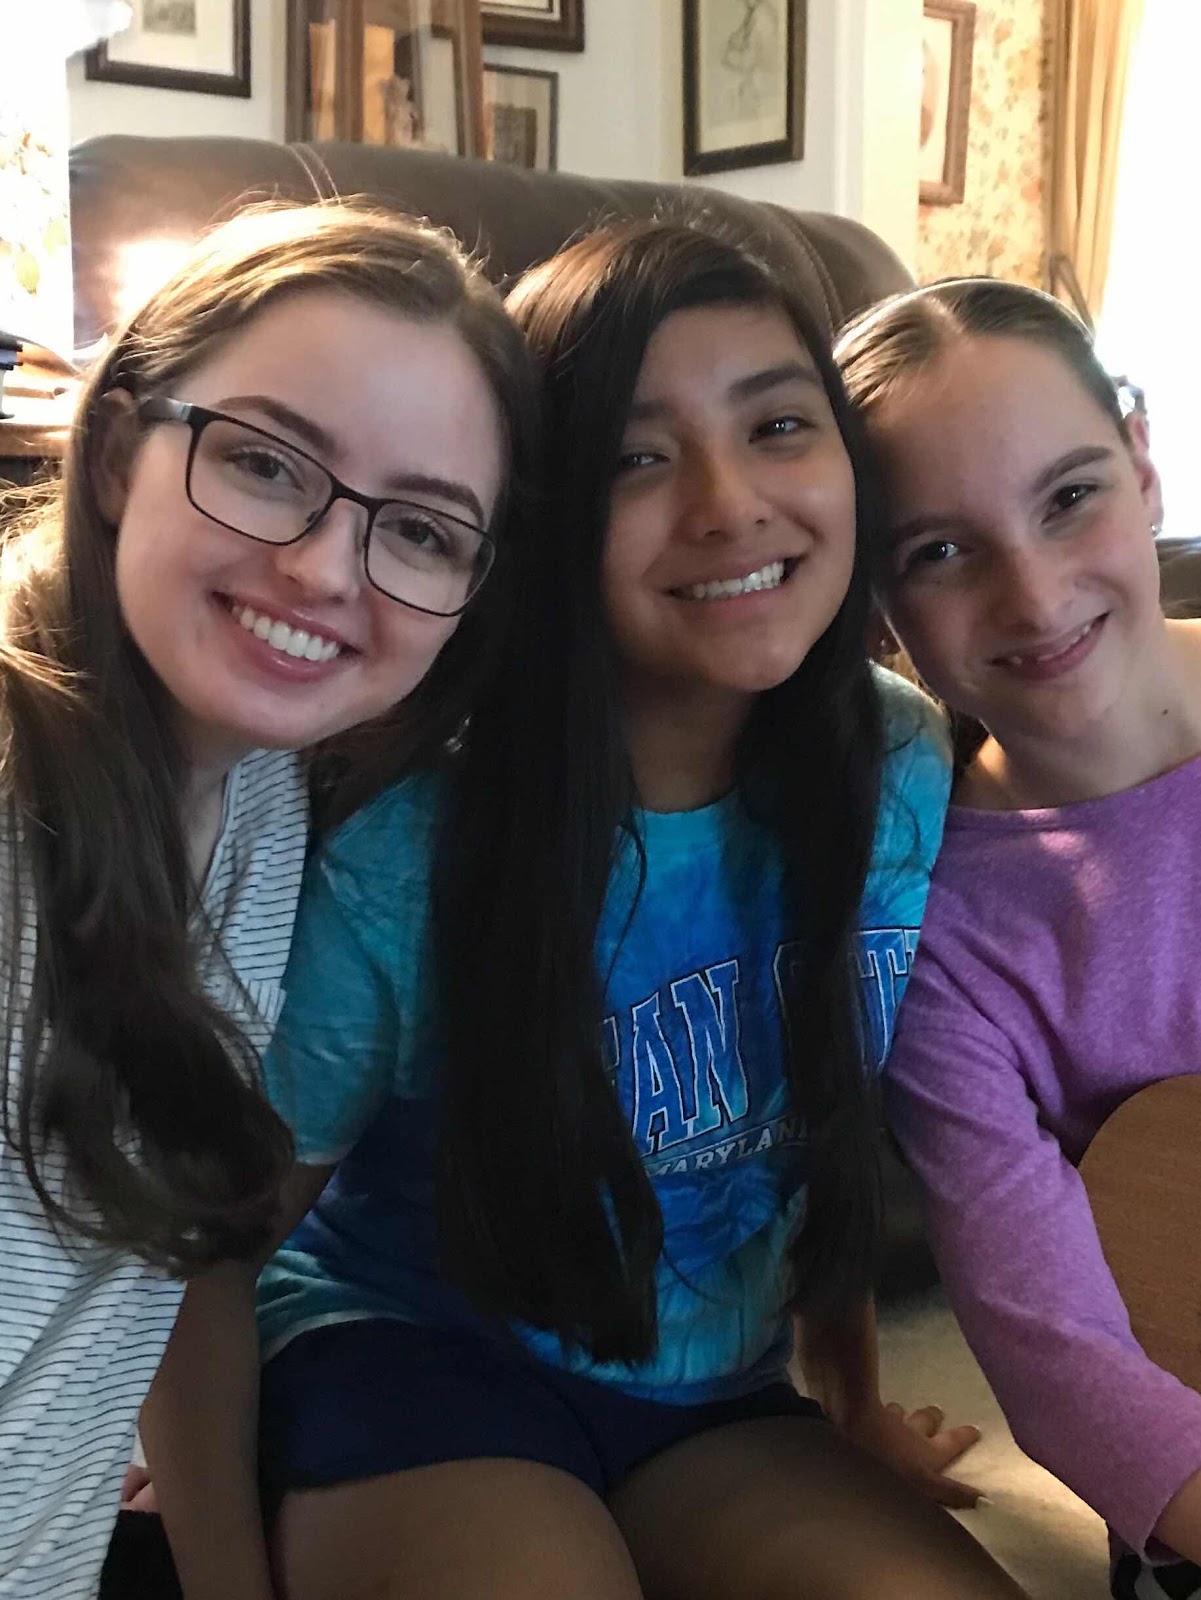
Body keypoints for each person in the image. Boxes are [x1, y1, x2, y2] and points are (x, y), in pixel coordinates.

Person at [211, 217, 1032, 1600]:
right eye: (635, 459)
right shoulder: (415, 834)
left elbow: (818, 1104)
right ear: (537, 516)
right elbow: (220, 1235)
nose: (726, 502)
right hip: (410, 1355)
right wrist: (205, 1515)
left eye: (777, 425)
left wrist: (850, 1401)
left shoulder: (896, 757)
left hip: (712, 1394)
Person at [0, 197, 535, 1600]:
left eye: (421, 532)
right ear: (117, 451)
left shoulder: (270, 799)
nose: (322, 568)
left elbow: (167, 1281)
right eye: (261, 462)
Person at [836, 277, 1201, 1600]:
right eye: (941, 551)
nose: (1034, 595)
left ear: (1142, 465)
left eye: (1069, 497)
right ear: (880, 613)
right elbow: (1058, 1355)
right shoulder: (938, 932)